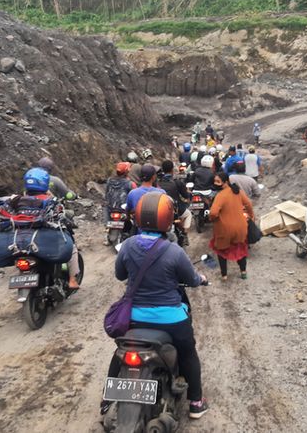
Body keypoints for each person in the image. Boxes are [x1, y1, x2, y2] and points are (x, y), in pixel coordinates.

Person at [108, 192, 208, 418]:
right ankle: (196, 403)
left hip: (133, 317)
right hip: (171, 320)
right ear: (168, 219)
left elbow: (119, 274)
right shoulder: (174, 250)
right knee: (188, 353)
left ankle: (107, 401)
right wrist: (201, 279)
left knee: (119, 353)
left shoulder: (128, 245)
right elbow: (192, 279)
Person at [0, 168, 81, 289]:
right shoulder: (50, 200)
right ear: (45, 182)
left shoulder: (17, 199)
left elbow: (4, 215)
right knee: (72, 248)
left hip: (20, 241)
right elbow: (60, 214)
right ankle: (72, 280)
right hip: (42, 241)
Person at [209, 172, 254, 281]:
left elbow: (213, 213)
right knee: (240, 249)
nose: (216, 183)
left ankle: (224, 275)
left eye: (218, 181)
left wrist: (212, 219)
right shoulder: (238, 192)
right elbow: (248, 204)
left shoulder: (220, 195)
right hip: (241, 228)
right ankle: (243, 272)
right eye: (215, 181)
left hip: (224, 229)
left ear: (225, 182)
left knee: (221, 251)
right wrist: (251, 216)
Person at [159, 160, 192, 247]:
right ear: (172, 169)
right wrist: (188, 194)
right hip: (175, 210)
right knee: (188, 214)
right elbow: (185, 195)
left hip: (161, 210)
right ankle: (185, 234)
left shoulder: (158, 182)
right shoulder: (177, 182)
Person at [103, 162, 137, 246]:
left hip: (111, 209)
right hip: (124, 211)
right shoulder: (130, 184)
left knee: (106, 212)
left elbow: (106, 194)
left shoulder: (109, 181)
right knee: (135, 220)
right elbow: (135, 197)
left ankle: (108, 235)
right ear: (127, 171)